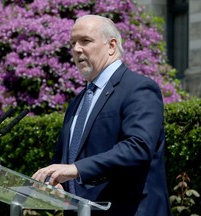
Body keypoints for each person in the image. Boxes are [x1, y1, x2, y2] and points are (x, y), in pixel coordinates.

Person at [32, 15, 172, 215]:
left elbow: (138, 147)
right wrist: (57, 183)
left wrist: (76, 169)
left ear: (111, 46)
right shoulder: (77, 102)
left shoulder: (139, 88)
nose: (76, 49)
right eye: (73, 43)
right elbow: (66, 160)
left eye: (85, 41)